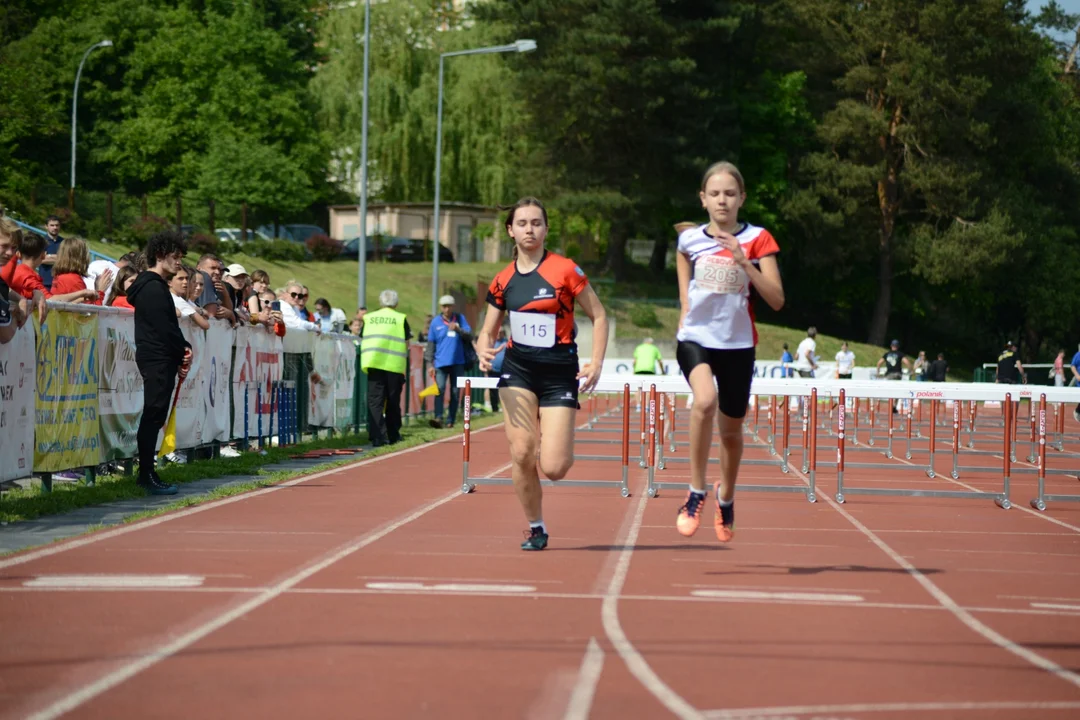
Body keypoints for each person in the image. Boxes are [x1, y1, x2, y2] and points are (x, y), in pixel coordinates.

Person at [475, 197, 608, 551]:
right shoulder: (503, 279)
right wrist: (483, 349)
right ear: (511, 231)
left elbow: (599, 315)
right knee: (521, 452)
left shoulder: (565, 269)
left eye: (536, 223)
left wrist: (596, 361)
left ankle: (555, 445)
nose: (529, 229)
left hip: (559, 371)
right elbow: (487, 330)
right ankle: (536, 527)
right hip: (518, 370)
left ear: (546, 229)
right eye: (522, 223)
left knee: (554, 467)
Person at [673, 161, 785, 543]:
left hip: (737, 345)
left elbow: (777, 300)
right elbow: (682, 259)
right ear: (703, 200)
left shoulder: (758, 239)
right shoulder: (689, 238)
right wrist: (684, 302)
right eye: (715, 194)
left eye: (730, 194)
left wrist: (743, 261)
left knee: (731, 434)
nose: (723, 200)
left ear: (742, 199)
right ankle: (695, 491)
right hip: (695, 340)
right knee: (704, 401)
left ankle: (727, 496)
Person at [126, 230, 193, 495]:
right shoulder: (153, 287)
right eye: (175, 257)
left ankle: (147, 472)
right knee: (153, 414)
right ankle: (146, 474)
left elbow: (168, 327)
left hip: (159, 355)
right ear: (160, 255)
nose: (179, 263)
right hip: (156, 356)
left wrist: (181, 349)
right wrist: (183, 349)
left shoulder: (153, 285)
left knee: (155, 414)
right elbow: (165, 327)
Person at [359, 289, 412, 447]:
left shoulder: (369, 318)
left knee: (375, 402)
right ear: (396, 303)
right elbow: (407, 343)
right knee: (393, 401)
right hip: (394, 365)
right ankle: (393, 435)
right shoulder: (400, 318)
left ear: (380, 302)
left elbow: (362, 337)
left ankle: (377, 437)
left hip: (374, 363)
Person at [425, 295, 472, 429]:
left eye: (449, 306)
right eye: (444, 306)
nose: (446, 309)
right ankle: (438, 417)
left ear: (453, 306)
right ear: (441, 307)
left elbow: (470, 336)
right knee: (439, 390)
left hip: (458, 362)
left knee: (455, 392)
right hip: (440, 363)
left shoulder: (460, 319)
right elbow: (431, 345)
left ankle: (451, 419)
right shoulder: (435, 322)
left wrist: (458, 329)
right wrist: (429, 364)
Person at [486, 324, 508, 413]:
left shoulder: (506, 343)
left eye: (501, 333)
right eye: (497, 332)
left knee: (505, 390)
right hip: (493, 370)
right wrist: (487, 365)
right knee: (493, 391)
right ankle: (494, 408)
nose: (499, 334)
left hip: (504, 370)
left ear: (503, 333)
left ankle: (506, 408)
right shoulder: (491, 343)